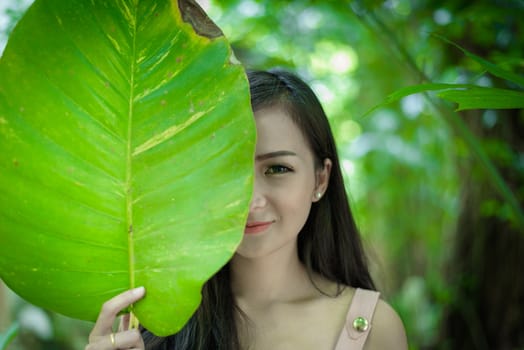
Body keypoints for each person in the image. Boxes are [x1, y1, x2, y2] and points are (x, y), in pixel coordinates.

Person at [85, 69, 408, 350]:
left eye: (277, 169)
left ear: (320, 179)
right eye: (230, 172)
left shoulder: (372, 328)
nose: (252, 200)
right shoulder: (152, 324)